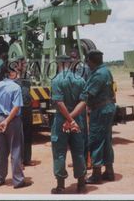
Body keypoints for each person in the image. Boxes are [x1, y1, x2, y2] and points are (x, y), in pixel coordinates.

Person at [0, 62, 31, 189]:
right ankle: (18, 180)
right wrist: (6, 121)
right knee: (16, 149)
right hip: (12, 120)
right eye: (16, 71)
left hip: (0, 118)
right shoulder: (15, 87)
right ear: (11, 73)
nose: (17, 73)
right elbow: (16, 106)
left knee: (1, 150)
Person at [50, 55, 87, 194]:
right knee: (78, 152)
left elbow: (59, 102)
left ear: (59, 64)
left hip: (61, 121)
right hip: (77, 120)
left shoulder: (56, 80)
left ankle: (60, 186)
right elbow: (83, 101)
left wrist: (68, 120)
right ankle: (82, 185)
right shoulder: (81, 80)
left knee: (59, 152)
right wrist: (72, 119)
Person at [79, 50, 116, 184]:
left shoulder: (98, 75)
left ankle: (96, 174)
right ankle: (109, 171)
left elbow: (88, 94)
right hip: (108, 108)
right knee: (106, 140)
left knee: (95, 140)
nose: (87, 64)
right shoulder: (106, 71)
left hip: (100, 110)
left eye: (88, 61)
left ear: (91, 61)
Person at [11, 56, 34, 167]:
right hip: (17, 108)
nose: (25, 65)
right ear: (16, 64)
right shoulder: (12, 76)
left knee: (28, 133)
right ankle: (18, 160)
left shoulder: (27, 76)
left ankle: (27, 159)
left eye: (25, 63)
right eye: (23, 63)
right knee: (18, 134)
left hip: (27, 107)